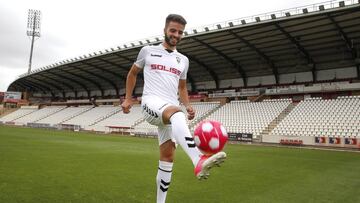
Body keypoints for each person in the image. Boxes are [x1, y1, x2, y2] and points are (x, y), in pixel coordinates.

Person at [121, 14, 226, 203]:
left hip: (170, 108)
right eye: (173, 30)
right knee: (176, 114)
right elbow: (132, 73)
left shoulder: (183, 60)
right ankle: (198, 160)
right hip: (151, 103)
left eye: (180, 32)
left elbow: (182, 87)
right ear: (165, 30)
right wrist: (128, 98)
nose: (176, 35)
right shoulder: (147, 51)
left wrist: (188, 105)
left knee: (168, 158)